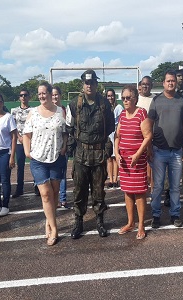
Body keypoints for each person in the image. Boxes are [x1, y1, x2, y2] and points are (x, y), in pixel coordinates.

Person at [65, 69, 115, 239]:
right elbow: (69, 128)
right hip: (81, 155)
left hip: (98, 154)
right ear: (83, 84)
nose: (89, 85)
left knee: (98, 191)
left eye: (92, 82)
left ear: (96, 84)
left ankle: (100, 221)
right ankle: (78, 221)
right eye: (86, 83)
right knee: (79, 191)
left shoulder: (104, 104)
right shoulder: (74, 104)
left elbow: (110, 127)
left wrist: (104, 146)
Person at [23, 82, 67, 246]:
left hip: (56, 159)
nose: (42, 96)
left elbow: (65, 133)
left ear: (50, 93)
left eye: (44, 93)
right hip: (38, 160)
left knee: (55, 193)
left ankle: (49, 222)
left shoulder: (59, 112)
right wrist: (27, 153)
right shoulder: (33, 113)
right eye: (39, 93)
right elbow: (26, 134)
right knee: (46, 193)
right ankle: (54, 228)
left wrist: (63, 147)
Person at [147, 70, 183, 228]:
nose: (171, 83)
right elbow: (148, 125)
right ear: (163, 83)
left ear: (175, 83)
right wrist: (149, 148)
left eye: (173, 81)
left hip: (177, 151)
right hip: (159, 151)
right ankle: (156, 215)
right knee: (158, 185)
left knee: (175, 186)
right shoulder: (157, 101)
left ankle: (175, 214)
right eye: (168, 81)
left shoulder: (181, 101)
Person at [115, 85, 152, 239]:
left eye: (128, 98)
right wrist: (116, 153)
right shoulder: (122, 115)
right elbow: (117, 136)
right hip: (124, 162)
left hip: (138, 160)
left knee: (139, 192)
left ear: (135, 98)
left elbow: (148, 136)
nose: (125, 100)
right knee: (127, 192)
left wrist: (137, 154)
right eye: (123, 98)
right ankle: (130, 222)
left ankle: (141, 225)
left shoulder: (141, 114)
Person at [11, 89, 32, 198]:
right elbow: (13, 126)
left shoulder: (33, 110)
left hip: (31, 141)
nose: (23, 97)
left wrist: (29, 138)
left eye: (25, 95)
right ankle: (19, 188)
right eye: (21, 95)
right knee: (20, 166)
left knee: (34, 165)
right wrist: (19, 137)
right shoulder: (14, 111)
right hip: (19, 142)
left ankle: (38, 187)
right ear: (19, 97)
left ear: (29, 97)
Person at [137, 76, 155, 197]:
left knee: (153, 165)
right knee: (141, 165)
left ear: (151, 86)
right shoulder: (135, 99)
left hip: (153, 138)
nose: (145, 86)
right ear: (140, 86)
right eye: (143, 84)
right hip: (138, 139)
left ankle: (153, 189)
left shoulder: (156, 99)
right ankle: (141, 189)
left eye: (147, 84)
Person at [52, 86, 68, 208]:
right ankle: (54, 199)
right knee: (52, 177)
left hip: (62, 149)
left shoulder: (64, 110)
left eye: (56, 94)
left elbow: (66, 130)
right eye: (52, 95)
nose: (54, 97)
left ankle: (62, 198)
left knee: (62, 175)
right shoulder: (46, 110)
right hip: (50, 150)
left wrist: (64, 147)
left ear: (60, 95)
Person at [106, 88, 124, 189]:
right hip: (108, 134)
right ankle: (111, 179)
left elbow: (121, 121)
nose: (110, 98)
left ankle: (116, 179)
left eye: (112, 95)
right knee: (109, 158)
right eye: (108, 96)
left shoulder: (119, 107)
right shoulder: (105, 107)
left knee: (115, 157)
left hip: (116, 133)